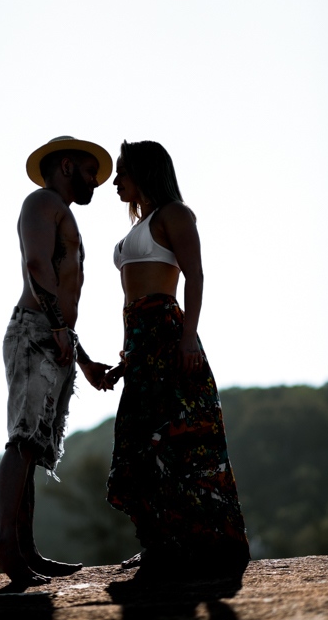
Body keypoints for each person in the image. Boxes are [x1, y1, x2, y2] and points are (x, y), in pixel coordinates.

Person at [105, 139, 250, 581]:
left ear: (146, 173)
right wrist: (126, 360)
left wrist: (189, 338)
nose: (115, 181)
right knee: (140, 443)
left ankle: (190, 546)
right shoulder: (141, 224)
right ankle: (161, 543)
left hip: (170, 336)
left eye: (123, 172)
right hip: (142, 344)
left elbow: (196, 274)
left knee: (175, 441)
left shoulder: (175, 215)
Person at [0, 136, 113, 586]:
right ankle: (7, 545)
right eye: (89, 172)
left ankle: (25, 549)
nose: (96, 182)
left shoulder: (61, 212)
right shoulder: (41, 202)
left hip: (52, 332)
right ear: (66, 165)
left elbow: (59, 290)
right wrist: (59, 327)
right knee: (23, 439)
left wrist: (83, 360)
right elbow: (37, 266)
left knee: (37, 444)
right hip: (36, 331)